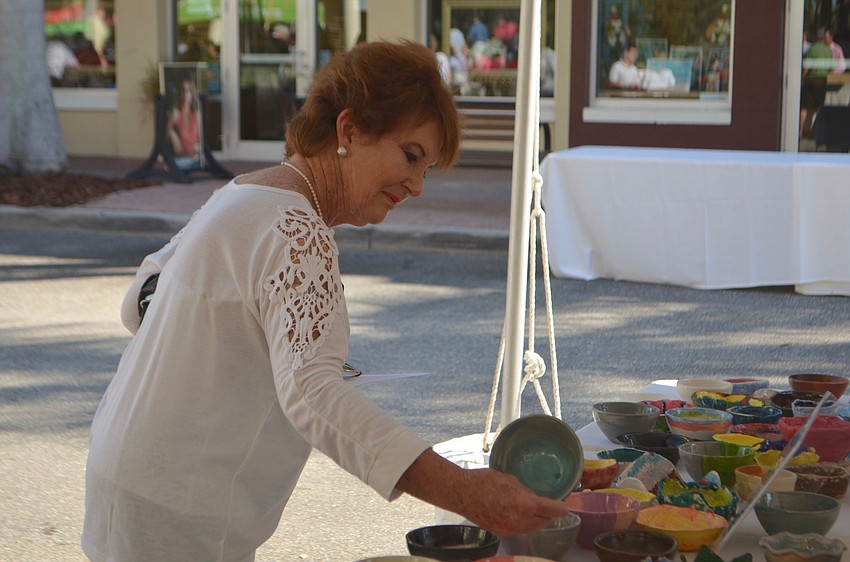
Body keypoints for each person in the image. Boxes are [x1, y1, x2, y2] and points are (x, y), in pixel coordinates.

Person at [81, 40, 569, 562]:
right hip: (181, 510)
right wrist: (465, 491)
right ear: (349, 130)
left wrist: (215, 331)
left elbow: (139, 299)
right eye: (411, 156)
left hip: (122, 472)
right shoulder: (297, 228)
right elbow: (311, 391)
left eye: (425, 170)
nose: (416, 187)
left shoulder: (243, 192)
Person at [801, 28, 837, 137]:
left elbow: (806, 68)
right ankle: (811, 130)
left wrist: (802, 78)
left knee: (804, 107)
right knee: (816, 108)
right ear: (823, 38)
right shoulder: (827, 51)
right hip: (822, 81)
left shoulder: (811, 50)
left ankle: (801, 131)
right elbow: (832, 68)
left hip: (810, 81)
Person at [167, 78, 201, 158]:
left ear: (192, 93)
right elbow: (167, 131)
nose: (185, 94)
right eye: (183, 90)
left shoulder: (197, 114)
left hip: (195, 157)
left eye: (188, 91)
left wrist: (197, 152)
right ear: (180, 93)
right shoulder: (176, 113)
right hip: (181, 157)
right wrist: (172, 134)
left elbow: (201, 139)